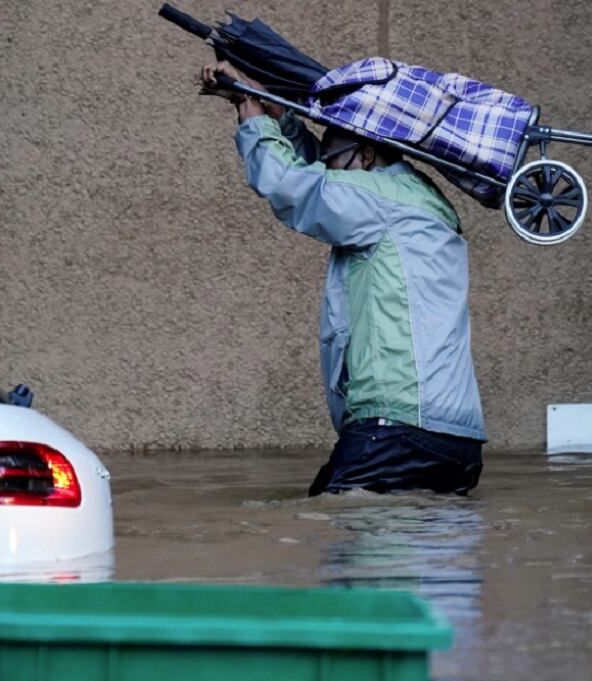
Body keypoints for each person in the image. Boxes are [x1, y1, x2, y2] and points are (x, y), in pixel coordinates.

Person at [199, 62, 486, 496]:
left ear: (368, 156)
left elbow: (293, 185)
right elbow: (324, 171)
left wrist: (249, 110)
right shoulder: (415, 198)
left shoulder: (379, 201)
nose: (329, 170)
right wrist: (281, 116)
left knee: (350, 547)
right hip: (456, 442)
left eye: (335, 160)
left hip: (396, 429)